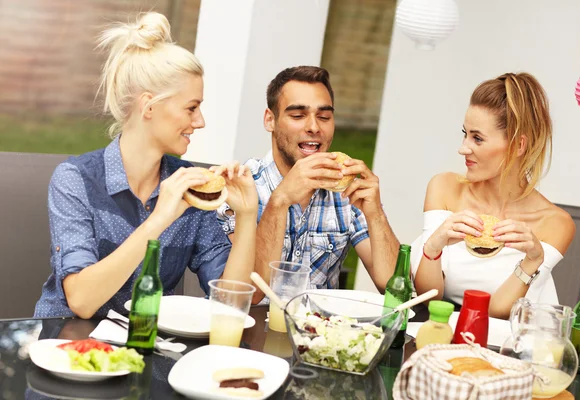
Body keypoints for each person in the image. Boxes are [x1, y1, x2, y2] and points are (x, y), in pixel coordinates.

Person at [34, 12, 258, 319]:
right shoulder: (76, 180)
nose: (200, 121)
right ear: (149, 106)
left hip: (146, 350)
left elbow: (230, 307)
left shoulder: (190, 186)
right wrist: (159, 219)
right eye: (191, 108)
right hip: (68, 348)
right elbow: (82, 301)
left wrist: (246, 216)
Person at [217, 66, 400, 303]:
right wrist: (279, 201)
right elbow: (246, 295)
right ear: (270, 120)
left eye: (324, 117)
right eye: (298, 116)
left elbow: (393, 287)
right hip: (250, 333)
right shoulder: (239, 188)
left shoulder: (345, 191)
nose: (314, 127)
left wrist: (376, 214)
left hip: (321, 333)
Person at [411, 72, 575, 319]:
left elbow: (499, 312)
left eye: (477, 138)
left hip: (507, 345)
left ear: (519, 146)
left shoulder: (554, 223)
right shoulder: (445, 188)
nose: (463, 148)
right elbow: (430, 294)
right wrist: (434, 244)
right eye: (465, 134)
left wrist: (533, 260)